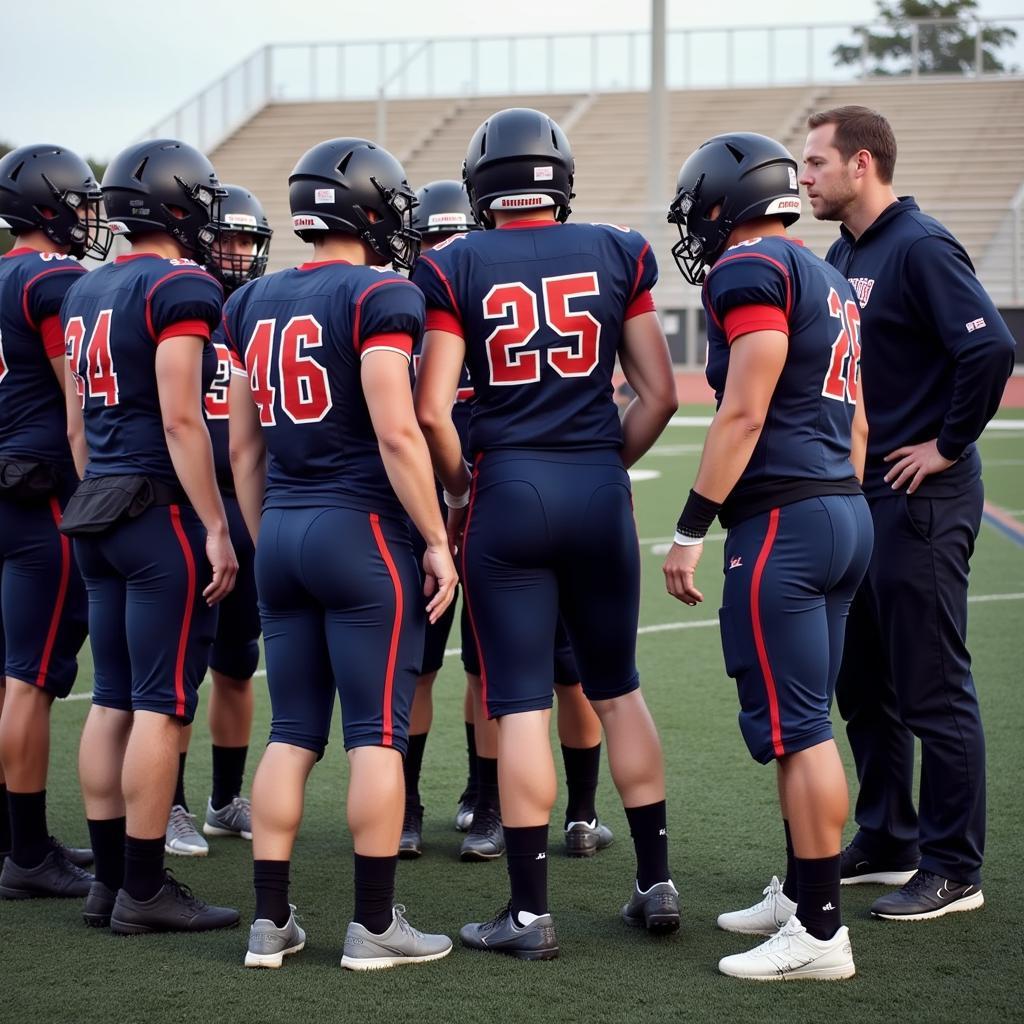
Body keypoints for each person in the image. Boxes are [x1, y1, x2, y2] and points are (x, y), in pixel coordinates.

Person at [413, 107, 679, 960]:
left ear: (483, 183)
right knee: (617, 687)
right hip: (598, 487)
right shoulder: (616, 248)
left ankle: (529, 915)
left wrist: (464, 489)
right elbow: (662, 395)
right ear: (560, 177)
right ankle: (654, 881)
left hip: (507, 491)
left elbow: (431, 408)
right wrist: (603, 456)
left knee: (519, 699)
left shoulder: (451, 262)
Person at [227, 137, 456, 970]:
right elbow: (398, 430)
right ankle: (371, 925)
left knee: (290, 732)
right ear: (371, 210)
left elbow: (244, 449)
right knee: (374, 735)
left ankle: (270, 924)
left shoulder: (249, 302)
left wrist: (265, 535)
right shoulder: (381, 294)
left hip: (281, 530)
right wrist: (436, 539)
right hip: (359, 531)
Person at [663, 131, 873, 981]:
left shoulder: (751, 269)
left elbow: (743, 411)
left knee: (800, 732)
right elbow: (857, 423)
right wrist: (832, 498)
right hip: (839, 510)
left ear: (727, 204)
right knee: (806, 721)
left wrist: (689, 526)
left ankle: (821, 934)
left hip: (785, 524)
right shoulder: (825, 275)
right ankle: (801, 888)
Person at [801, 105, 1016, 920]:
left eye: (817, 163)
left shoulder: (919, 246)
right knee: (865, 681)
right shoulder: (847, 249)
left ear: (862, 164)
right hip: (864, 497)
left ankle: (955, 866)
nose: (806, 177)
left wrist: (947, 445)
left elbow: (989, 346)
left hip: (924, 496)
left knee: (933, 687)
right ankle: (891, 836)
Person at [401, 180, 612, 864]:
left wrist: (461, 497)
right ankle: (422, 806)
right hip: (463, 500)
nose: (444, 252)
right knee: (434, 668)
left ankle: (497, 801)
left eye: (452, 239)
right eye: (433, 242)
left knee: (509, 670)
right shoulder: (411, 305)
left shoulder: (448, 297)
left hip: (484, 499)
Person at [60, 138, 240, 934]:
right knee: (160, 708)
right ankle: (142, 888)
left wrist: (100, 485)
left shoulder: (86, 288)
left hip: (95, 505)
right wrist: (213, 525)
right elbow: (180, 417)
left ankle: (107, 885)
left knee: (108, 703)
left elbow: (75, 425)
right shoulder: (181, 284)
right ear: (180, 204)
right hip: (155, 515)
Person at [0, 144, 106, 900]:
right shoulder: (54, 280)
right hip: (39, 497)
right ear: (52, 204)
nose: (91, 217)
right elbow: (79, 402)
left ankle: (14, 838)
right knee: (31, 680)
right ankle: (29, 854)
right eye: (81, 202)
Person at [165, 184, 272, 857]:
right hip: (189, 505)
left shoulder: (260, 311)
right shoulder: (181, 303)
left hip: (248, 497)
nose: (234, 251)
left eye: (245, 239)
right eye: (224, 237)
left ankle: (223, 799)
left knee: (238, 662)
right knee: (178, 668)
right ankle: (166, 802)